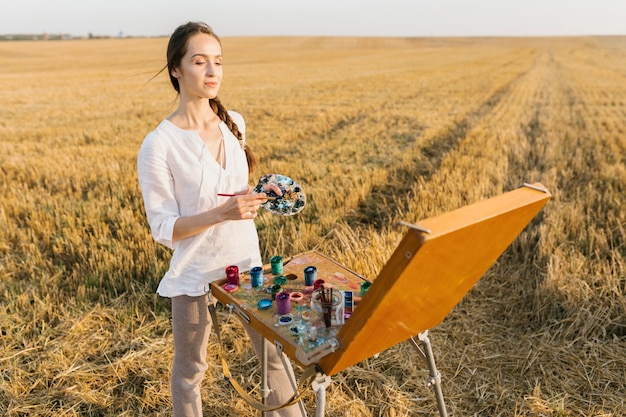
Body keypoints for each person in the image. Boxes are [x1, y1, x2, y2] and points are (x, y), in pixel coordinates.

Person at [137, 21, 305, 417]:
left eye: (218, 62)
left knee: (272, 357)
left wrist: (257, 197)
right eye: (200, 62)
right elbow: (165, 229)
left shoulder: (236, 124)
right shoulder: (158, 144)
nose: (213, 72)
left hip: (245, 263)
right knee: (189, 370)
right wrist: (221, 212)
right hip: (195, 269)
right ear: (176, 69)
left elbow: (232, 191)